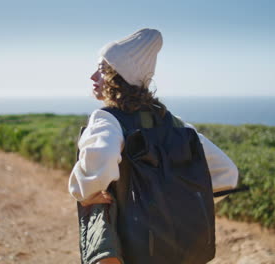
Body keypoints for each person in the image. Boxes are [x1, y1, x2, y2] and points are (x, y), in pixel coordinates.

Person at [69, 28, 238, 264]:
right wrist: (181, 200)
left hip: (130, 248)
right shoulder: (172, 122)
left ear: (117, 77)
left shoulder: (107, 118)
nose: (92, 78)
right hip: (172, 245)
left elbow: (101, 160)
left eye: (100, 71)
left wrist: (85, 193)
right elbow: (227, 173)